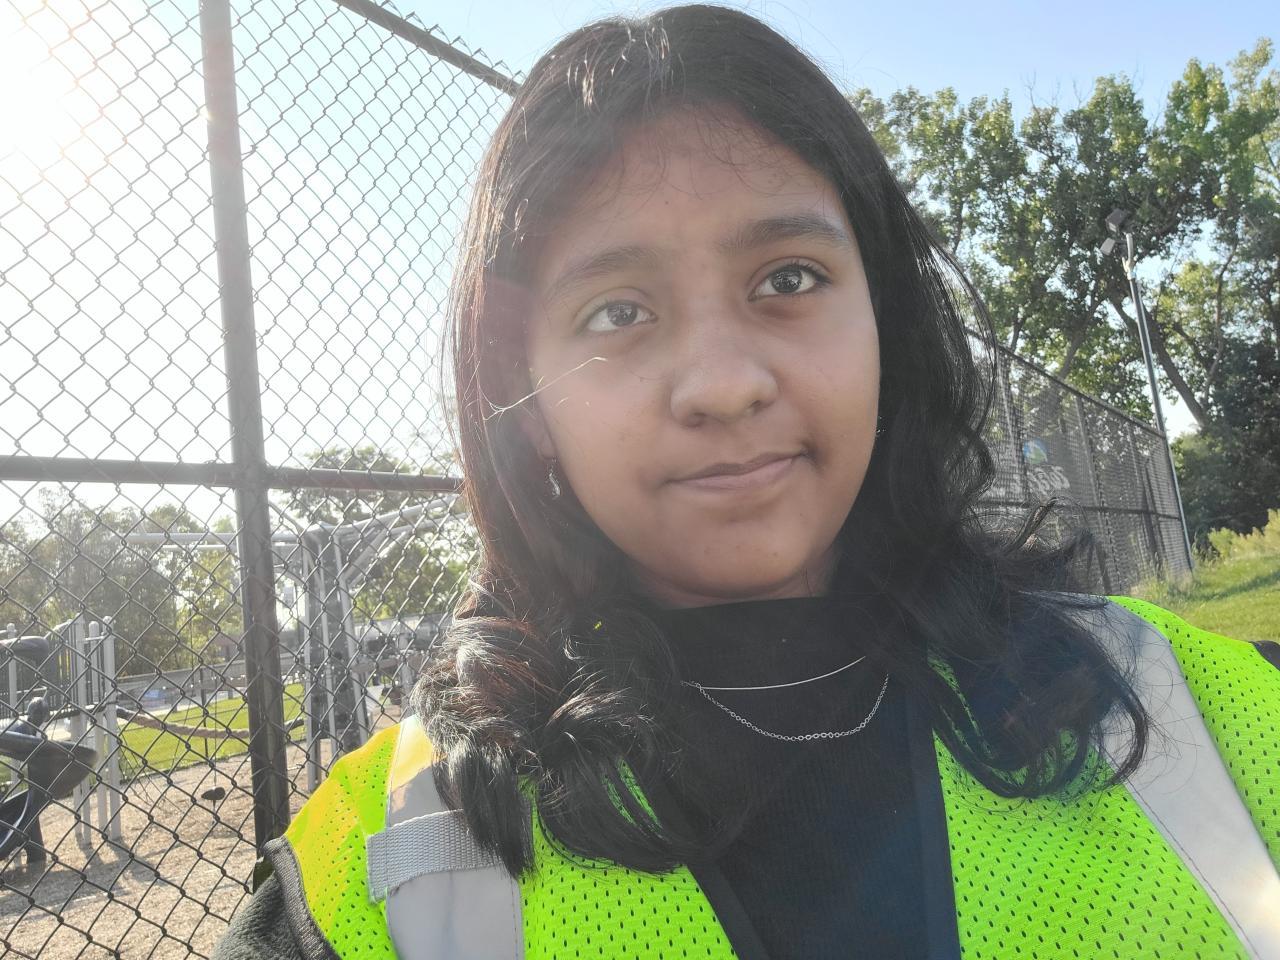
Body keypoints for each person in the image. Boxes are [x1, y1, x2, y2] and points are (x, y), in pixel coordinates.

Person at [212, 6, 1280, 959]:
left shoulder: (1207, 712)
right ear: (521, 398)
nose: (724, 385)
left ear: (885, 326)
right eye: (617, 312)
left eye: (788, 278)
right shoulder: (381, 867)